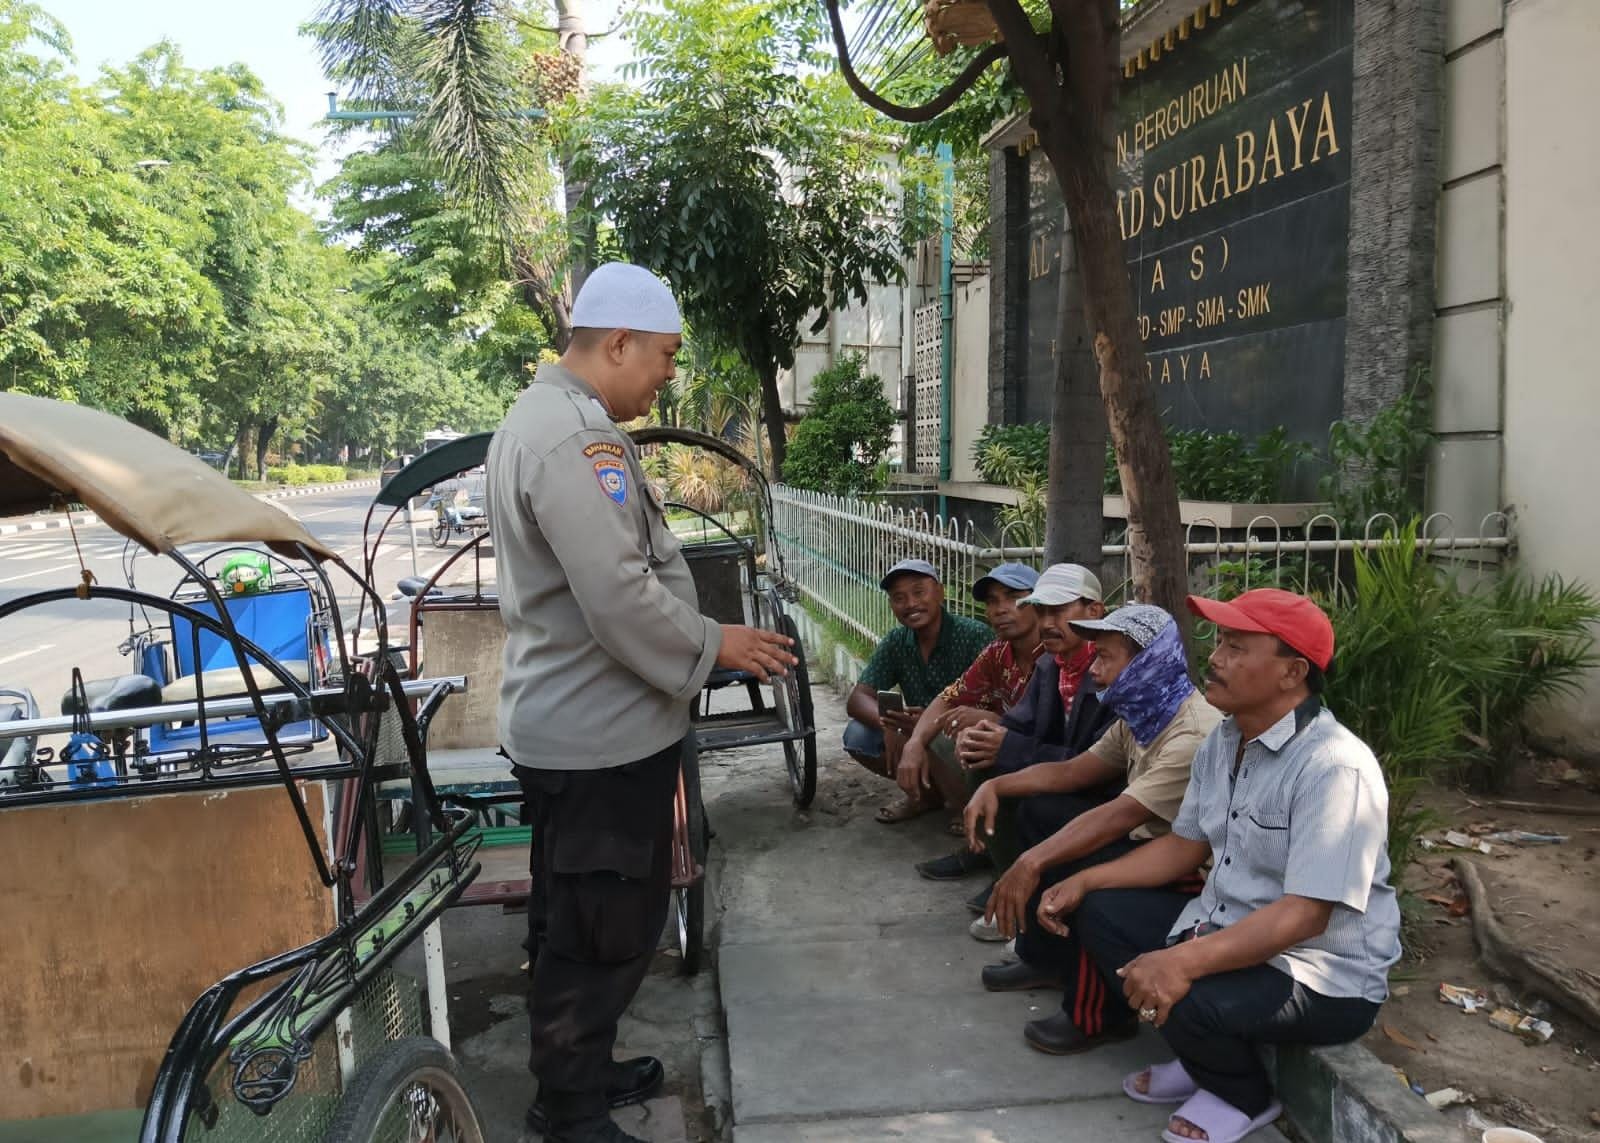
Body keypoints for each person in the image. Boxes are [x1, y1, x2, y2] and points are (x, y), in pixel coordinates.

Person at [486, 262, 796, 1143]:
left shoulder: (548, 423)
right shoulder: (572, 442)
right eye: (661, 356)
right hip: (597, 737)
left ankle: (580, 1069)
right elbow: (619, 595)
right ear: (615, 342)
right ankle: (573, 1110)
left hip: (585, 726)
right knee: (604, 923)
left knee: (576, 912)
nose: (667, 375)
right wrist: (715, 644)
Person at [1039, 589, 1400, 1143]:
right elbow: (1183, 847)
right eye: (1219, 641)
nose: (1215, 657)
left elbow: (1304, 916)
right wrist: (1084, 879)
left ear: (1291, 672)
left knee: (1182, 988)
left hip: (1320, 973)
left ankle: (1242, 1094)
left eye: (1236, 646)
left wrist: (1183, 962)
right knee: (1103, 913)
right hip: (1232, 933)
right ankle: (1202, 1060)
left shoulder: (1335, 767)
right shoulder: (1225, 740)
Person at [967, 604, 1221, 1057]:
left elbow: (1119, 816)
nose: (1096, 671)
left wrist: (1033, 861)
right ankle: (1045, 959)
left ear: (1147, 663)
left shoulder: (1192, 735)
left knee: (1083, 869)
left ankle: (1099, 1015)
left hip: (1189, 867)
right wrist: (995, 784)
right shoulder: (1142, 715)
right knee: (1041, 813)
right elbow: (1072, 773)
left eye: (1105, 658)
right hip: (1149, 841)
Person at [937, 564, 1120, 939]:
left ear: (1094, 611)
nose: (1048, 622)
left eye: (1059, 610)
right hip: (1063, 772)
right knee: (984, 765)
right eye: (1042, 611)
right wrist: (986, 735)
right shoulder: (1052, 665)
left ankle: (1034, 912)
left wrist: (1010, 745)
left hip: (1110, 796)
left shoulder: (1111, 669)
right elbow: (1020, 724)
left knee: (1034, 802)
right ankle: (1011, 890)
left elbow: (1099, 763)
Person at [897, 563, 1043, 880]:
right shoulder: (997, 653)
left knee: (984, 744)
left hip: (1055, 756)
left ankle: (1009, 870)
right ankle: (987, 849)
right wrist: (914, 744)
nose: (1000, 609)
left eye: (1014, 597)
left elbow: (1059, 730)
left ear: (1040, 602)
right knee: (951, 733)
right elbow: (949, 697)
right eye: (992, 601)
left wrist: (998, 721)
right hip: (1019, 749)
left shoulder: (1055, 653)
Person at [843, 559, 992, 824]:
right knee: (858, 734)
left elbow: (992, 706)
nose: (910, 604)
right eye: (899, 598)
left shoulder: (974, 636)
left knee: (937, 738)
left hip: (962, 735)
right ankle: (926, 796)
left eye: (919, 592)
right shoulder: (897, 642)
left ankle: (966, 804)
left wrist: (927, 728)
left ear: (940, 592)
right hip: (913, 732)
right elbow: (857, 698)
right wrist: (890, 725)